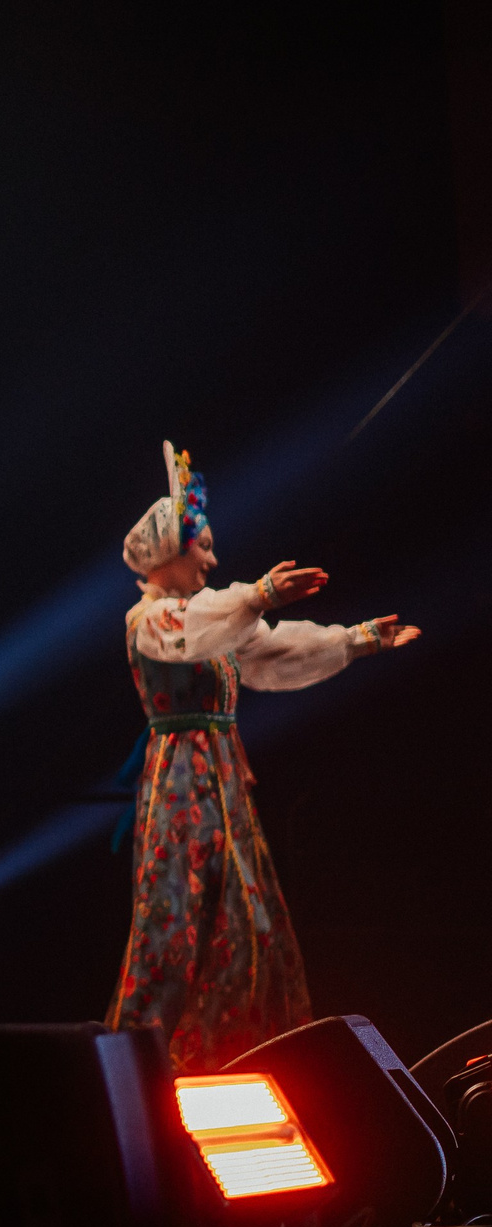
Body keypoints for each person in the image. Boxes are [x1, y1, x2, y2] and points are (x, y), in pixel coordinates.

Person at [107, 440, 417, 1069]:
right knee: (176, 920)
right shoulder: (152, 620)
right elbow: (198, 629)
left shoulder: (207, 616)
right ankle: (140, 1063)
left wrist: (357, 641)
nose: (214, 559)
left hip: (221, 780)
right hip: (183, 785)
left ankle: (234, 1053)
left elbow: (269, 651)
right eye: (204, 548)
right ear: (169, 557)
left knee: (248, 922)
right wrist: (258, 594)